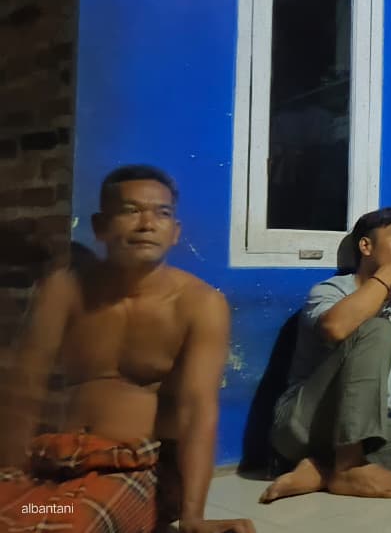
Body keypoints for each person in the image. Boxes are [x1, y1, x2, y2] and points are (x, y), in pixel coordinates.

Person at [0, 166, 255, 533]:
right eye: (130, 210)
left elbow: (198, 411)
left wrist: (193, 517)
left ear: (175, 232)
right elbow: (26, 384)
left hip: (136, 467)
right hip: (53, 456)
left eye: (161, 213)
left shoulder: (199, 305)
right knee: (21, 513)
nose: (147, 224)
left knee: (65, 524)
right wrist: (13, 472)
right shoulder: (65, 289)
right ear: (100, 226)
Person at [260, 207, 391, 503]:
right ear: (366, 246)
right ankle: (349, 466)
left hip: (367, 428)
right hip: (303, 424)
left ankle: (324, 470)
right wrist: (389, 274)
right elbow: (335, 328)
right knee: (378, 330)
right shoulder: (330, 291)